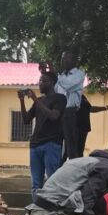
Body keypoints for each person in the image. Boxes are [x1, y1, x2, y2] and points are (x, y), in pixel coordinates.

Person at [20, 70, 66, 201]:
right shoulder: (39, 101)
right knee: (36, 183)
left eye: (42, 81)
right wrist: (22, 100)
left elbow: (53, 116)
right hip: (35, 145)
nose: (39, 84)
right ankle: (37, 212)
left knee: (52, 180)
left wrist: (35, 99)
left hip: (51, 143)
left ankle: (52, 210)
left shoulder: (60, 98)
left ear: (51, 83)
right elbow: (25, 120)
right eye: (39, 81)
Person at [55, 51, 86, 161]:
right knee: (57, 144)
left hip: (70, 113)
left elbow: (68, 86)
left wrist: (56, 76)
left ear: (74, 61)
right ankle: (57, 171)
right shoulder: (60, 76)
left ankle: (74, 172)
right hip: (58, 113)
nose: (63, 61)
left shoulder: (79, 74)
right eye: (62, 58)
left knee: (71, 146)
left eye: (66, 58)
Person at [76, 94, 108, 163]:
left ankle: (79, 166)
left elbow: (90, 109)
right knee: (71, 151)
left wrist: (105, 108)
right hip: (74, 128)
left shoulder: (82, 96)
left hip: (84, 128)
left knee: (80, 150)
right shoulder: (70, 95)